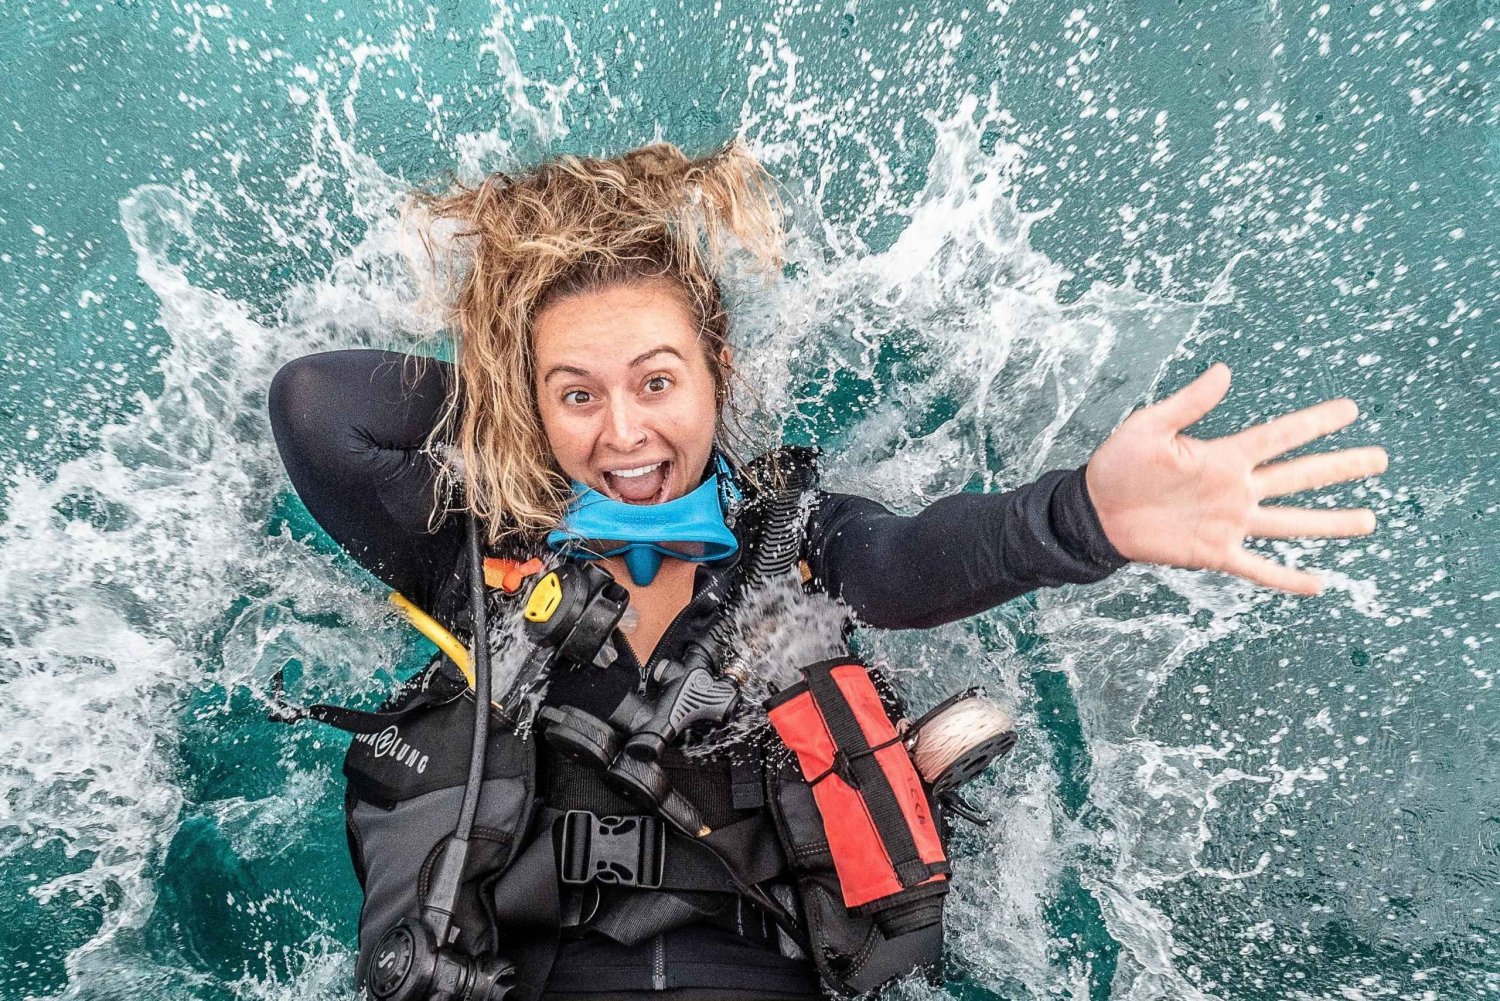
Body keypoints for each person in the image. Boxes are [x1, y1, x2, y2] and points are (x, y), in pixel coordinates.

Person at [268, 141, 1386, 1001]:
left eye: (656, 381)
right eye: (578, 394)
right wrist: (515, 409)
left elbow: (912, 564)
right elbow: (318, 407)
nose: (623, 430)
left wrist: (1084, 512)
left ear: (718, 370)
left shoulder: (793, 538)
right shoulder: (481, 552)